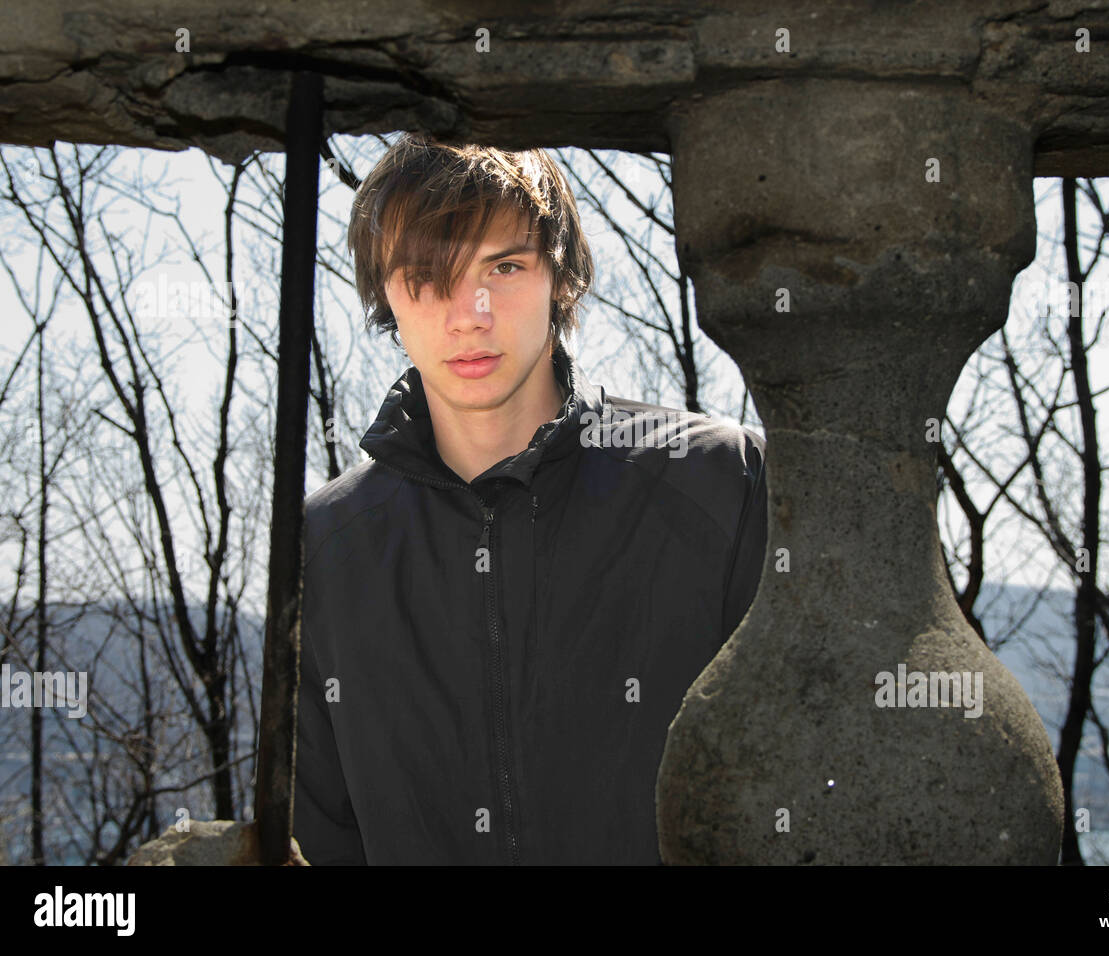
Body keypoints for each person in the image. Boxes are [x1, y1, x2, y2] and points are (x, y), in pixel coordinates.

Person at [293, 134, 768, 865]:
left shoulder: (719, 483)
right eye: (426, 277)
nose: (469, 314)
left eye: (504, 267)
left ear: (561, 278)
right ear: (386, 296)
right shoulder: (324, 547)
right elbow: (322, 836)